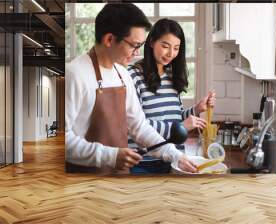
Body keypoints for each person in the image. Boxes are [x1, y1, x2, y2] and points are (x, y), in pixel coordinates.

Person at [65, 4, 197, 174]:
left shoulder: (122, 74)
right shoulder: (76, 74)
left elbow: (139, 126)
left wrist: (174, 155)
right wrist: (110, 156)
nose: (137, 53)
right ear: (109, 40)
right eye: (134, 45)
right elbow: (63, 141)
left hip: (119, 178)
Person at [127, 18, 216, 174]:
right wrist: (180, 128)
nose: (171, 54)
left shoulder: (171, 75)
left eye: (176, 48)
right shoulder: (133, 75)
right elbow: (137, 125)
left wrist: (196, 109)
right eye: (165, 46)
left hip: (173, 160)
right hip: (143, 162)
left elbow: (174, 116)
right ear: (151, 42)